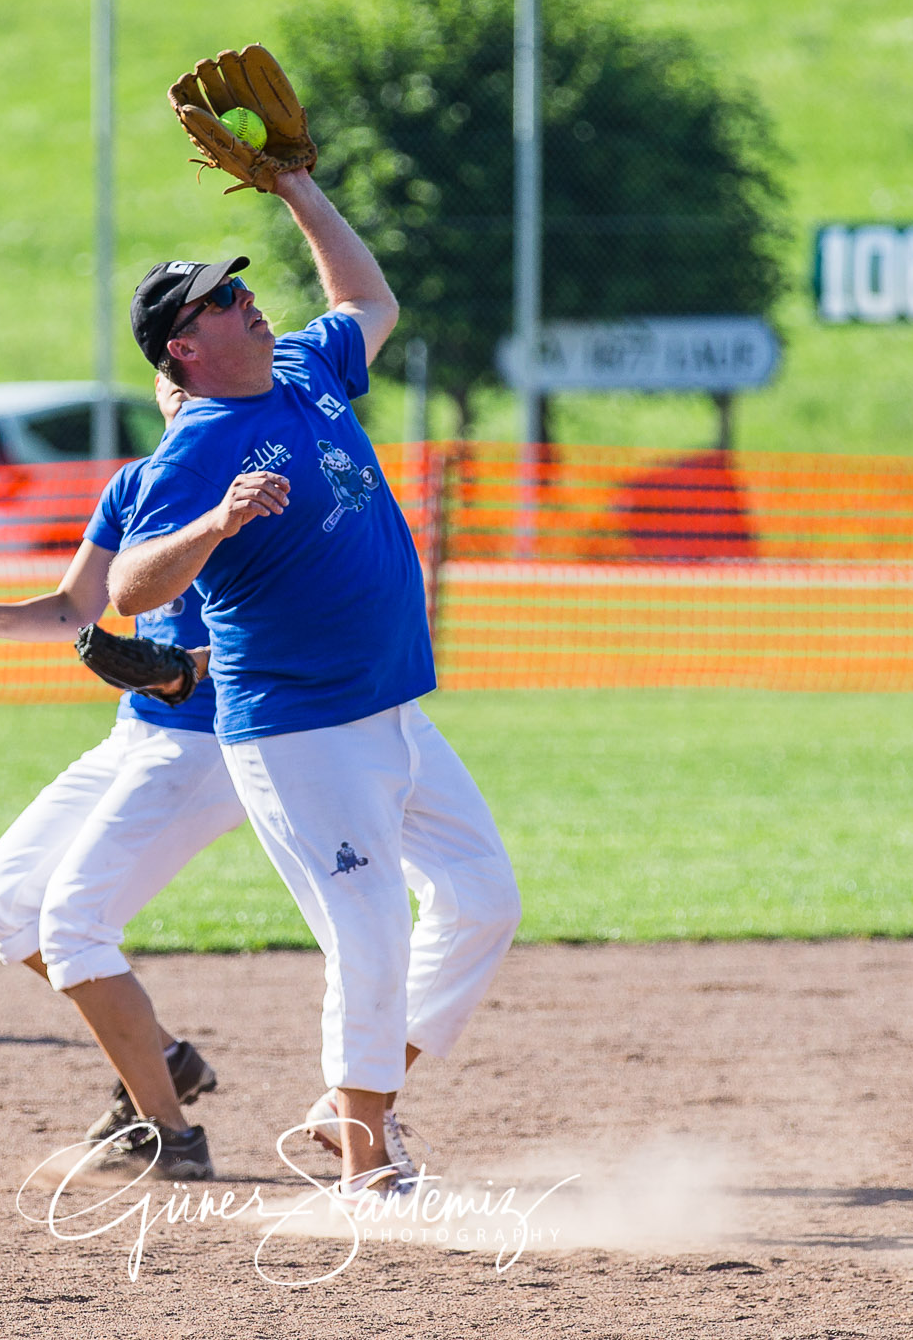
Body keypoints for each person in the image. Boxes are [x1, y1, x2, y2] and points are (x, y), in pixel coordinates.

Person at [108, 169, 521, 1195]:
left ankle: (348, 1109)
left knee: (480, 899)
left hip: (386, 708)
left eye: (235, 285)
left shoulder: (301, 370)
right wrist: (217, 523)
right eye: (216, 298)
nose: (243, 296)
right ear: (184, 351)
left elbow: (368, 303)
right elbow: (126, 584)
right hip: (297, 728)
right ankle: (371, 1168)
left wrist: (295, 186)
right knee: (370, 926)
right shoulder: (200, 444)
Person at [0, 376, 243, 1182]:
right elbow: (76, 608)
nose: (183, 392)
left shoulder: (252, 484)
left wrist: (188, 666)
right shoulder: (134, 486)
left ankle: (170, 1133)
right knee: (6, 903)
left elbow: (292, 626)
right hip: (139, 733)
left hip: (213, 746)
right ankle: (164, 1062)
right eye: (172, 379)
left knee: (73, 922)